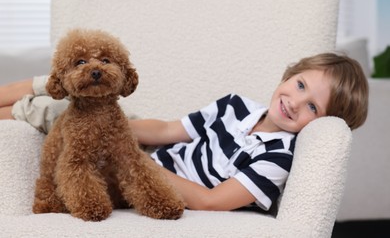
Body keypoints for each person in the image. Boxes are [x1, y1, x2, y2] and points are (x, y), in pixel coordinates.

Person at [0, 52, 369, 212]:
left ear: (321, 123)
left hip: (144, 177)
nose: (296, 102)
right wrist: (113, 127)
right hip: (140, 151)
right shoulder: (235, 106)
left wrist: (127, 156)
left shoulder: (278, 158)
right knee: (80, 96)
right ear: (290, 75)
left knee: (52, 111)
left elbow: (210, 202)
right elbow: (168, 129)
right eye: (301, 85)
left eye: (313, 108)